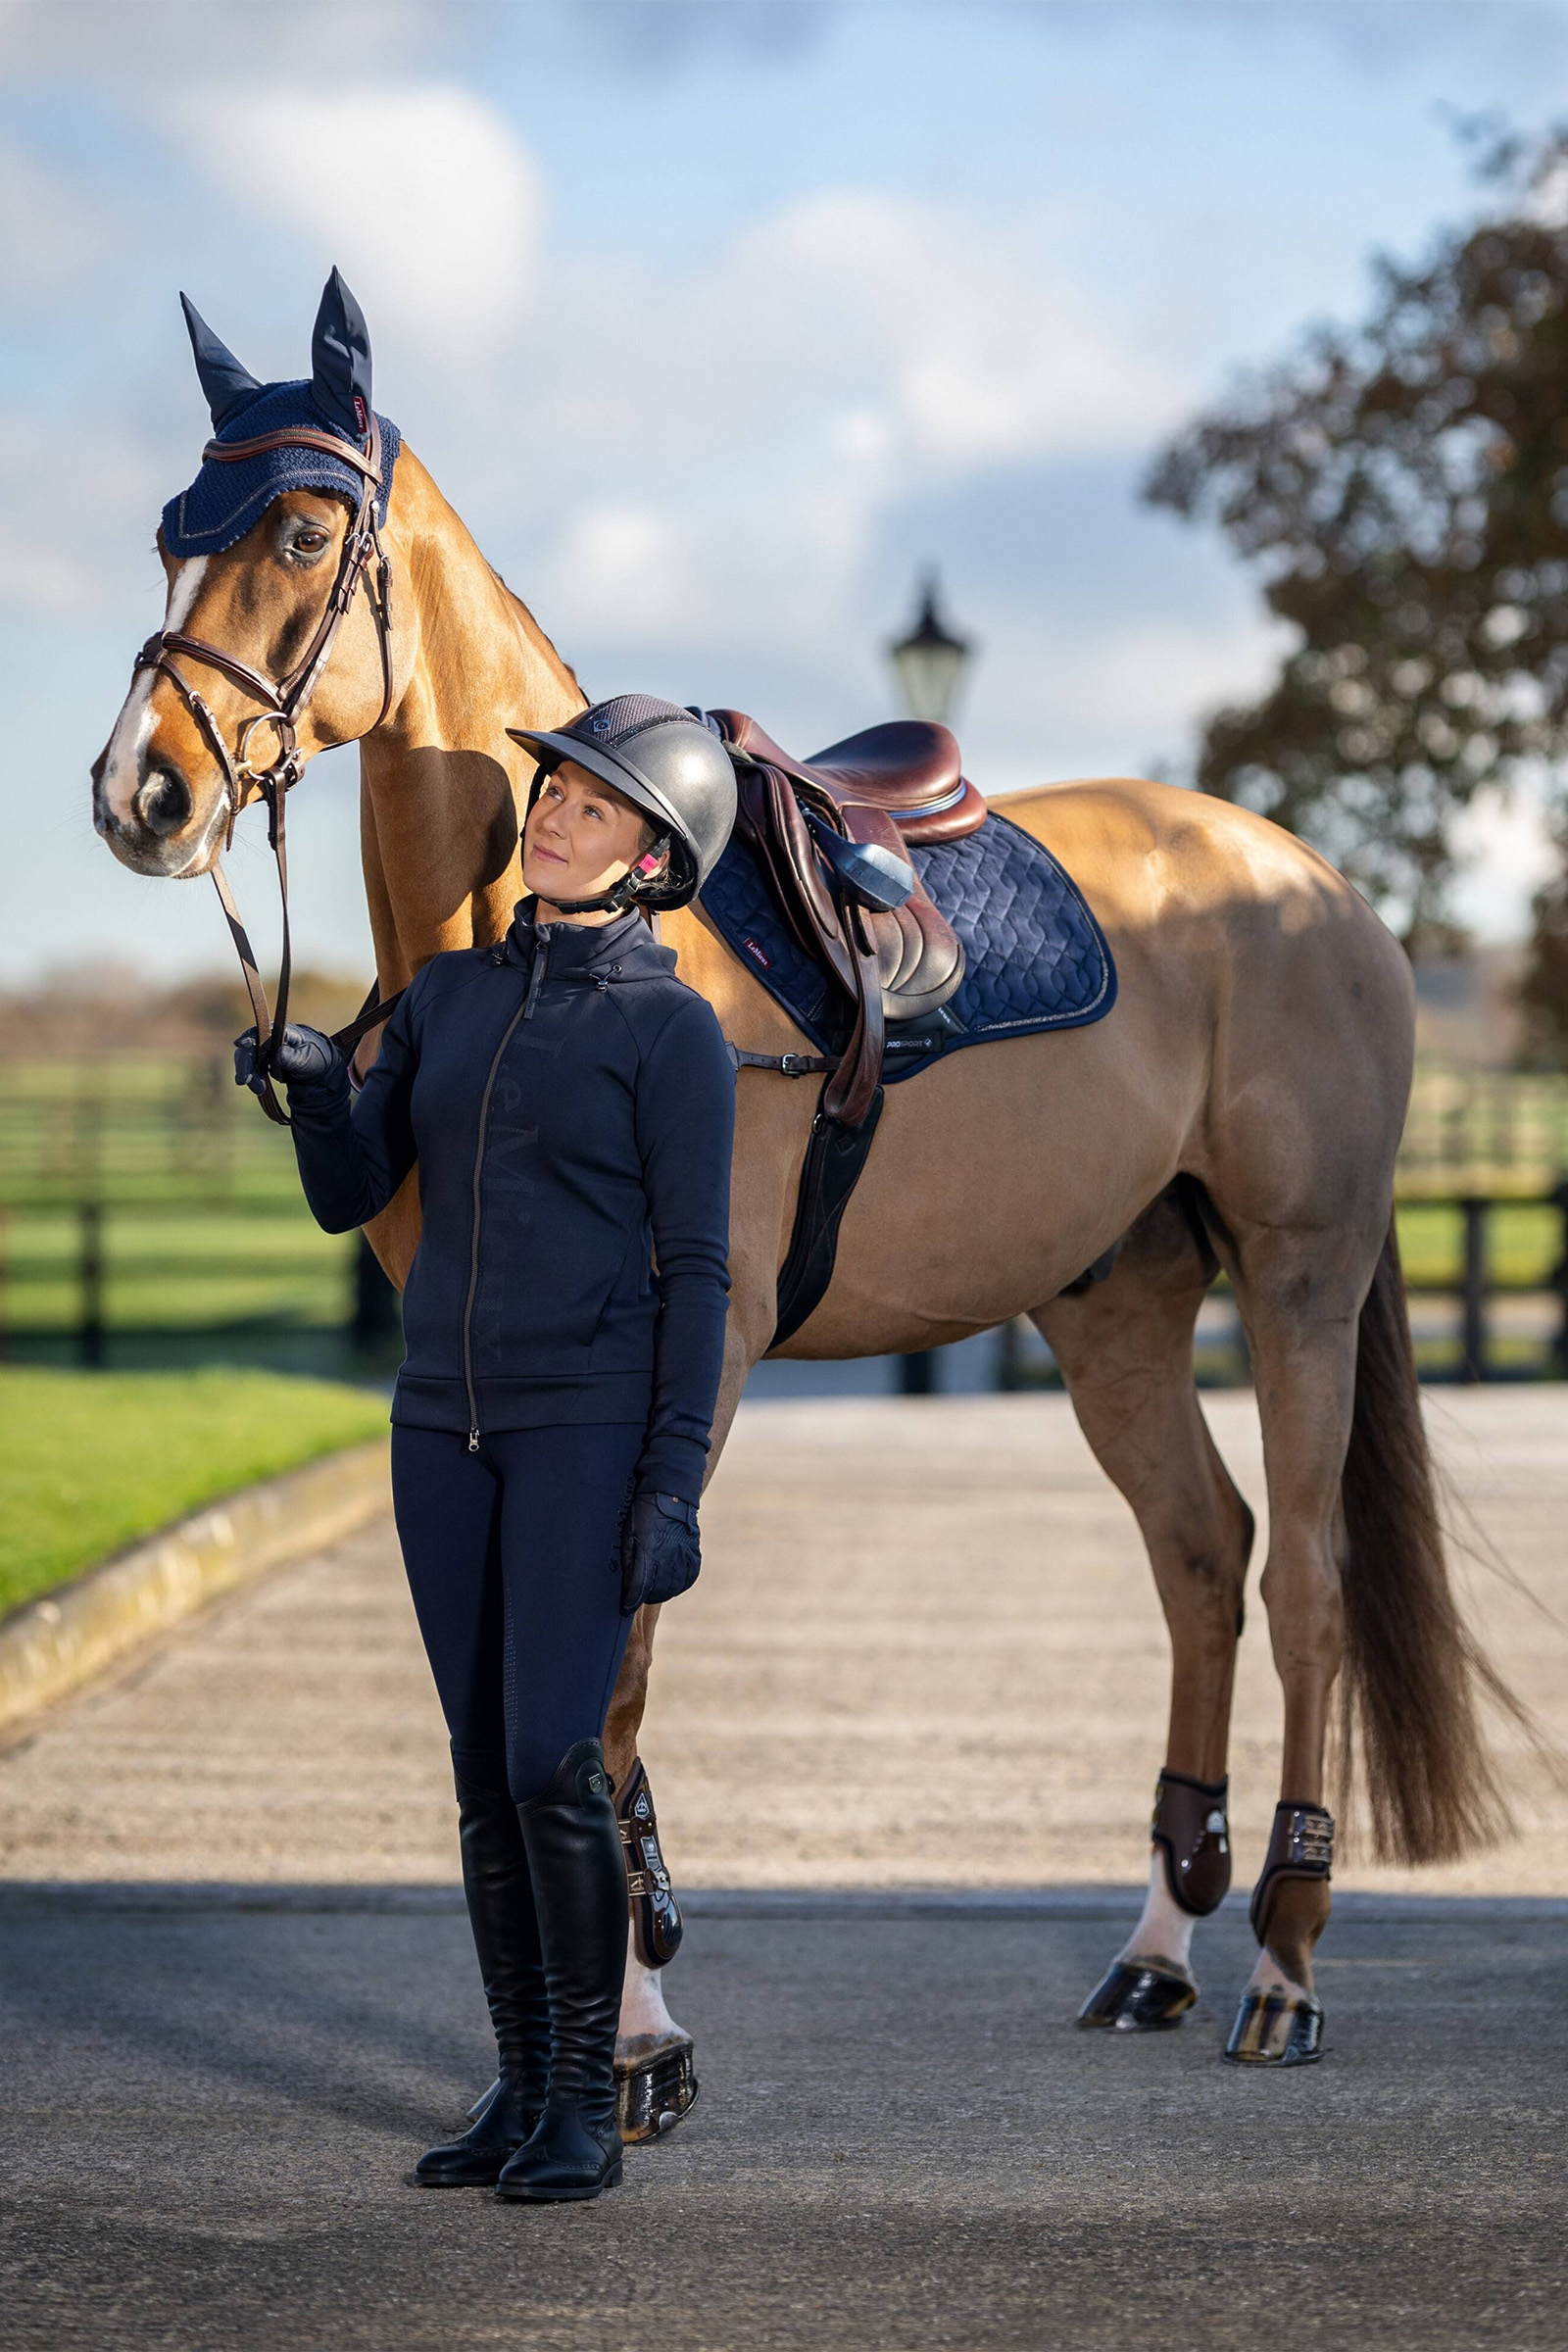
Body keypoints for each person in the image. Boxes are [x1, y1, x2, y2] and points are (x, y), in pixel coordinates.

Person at [235, 696, 737, 2203]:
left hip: (582, 1430)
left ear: (653, 857)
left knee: (548, 1761)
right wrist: (326, 1095)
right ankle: (520, 2088)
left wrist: (669, 1488)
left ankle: (588, 2095)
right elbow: (352, 1192)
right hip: (435, 1434)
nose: (556, 815)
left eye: (592, 804)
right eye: (554, 792)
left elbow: (700, 1273)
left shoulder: (673, 1034)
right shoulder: (446, 996)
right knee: (477, 1773)